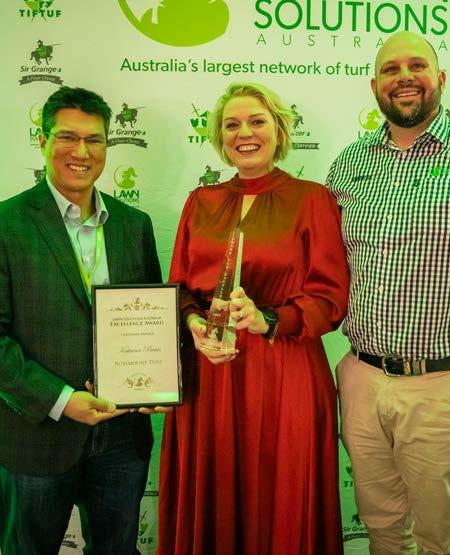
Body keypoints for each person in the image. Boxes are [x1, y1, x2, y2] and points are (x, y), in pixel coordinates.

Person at [158, 82, 349, 555]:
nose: (244, 133)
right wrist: (193, 325)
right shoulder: (200, 201)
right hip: (210, 372)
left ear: (279, 130)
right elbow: (178, 289)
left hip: (286, 371)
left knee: (283, 499)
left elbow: (330, 297)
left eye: (257, 121)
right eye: (232, 124)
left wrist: (268, 318)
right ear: (219, 137)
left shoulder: (312, 198)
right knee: (216, 497)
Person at [326, 31, 450, 554]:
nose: (404, 77)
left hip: (442, 385)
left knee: (441, 538)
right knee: (381, 530)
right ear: (374, 85)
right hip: (361, 379)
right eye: (390, 69)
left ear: (439, 77)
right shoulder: (349, 163)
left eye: (416, 66)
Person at [0, 86, 165, 554]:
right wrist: (62, 400)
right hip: (37, 434)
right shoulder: (6, 223)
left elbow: (152, 319)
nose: (81, 151)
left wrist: (156, 381)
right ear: (42, 141)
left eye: (94, 140)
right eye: (67, 137)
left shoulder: (134, 224)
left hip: (122, 436)